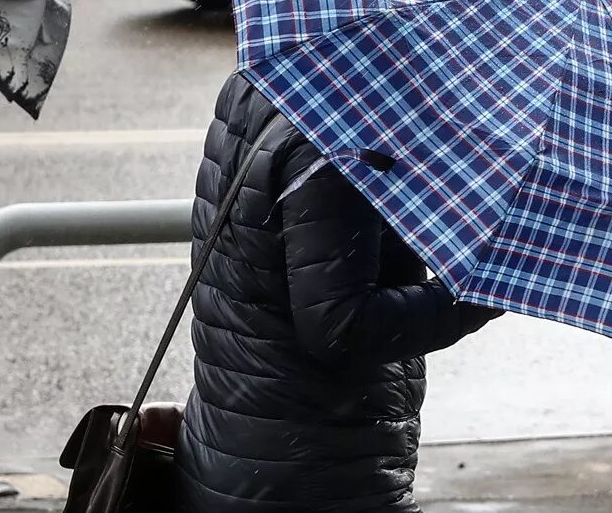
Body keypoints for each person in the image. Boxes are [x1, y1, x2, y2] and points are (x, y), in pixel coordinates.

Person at [175, 76, 502, 511]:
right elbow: (341, 326)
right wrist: (484, 288)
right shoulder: (345, 138)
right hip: (316, 468)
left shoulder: (261, 84)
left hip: (240, 445)